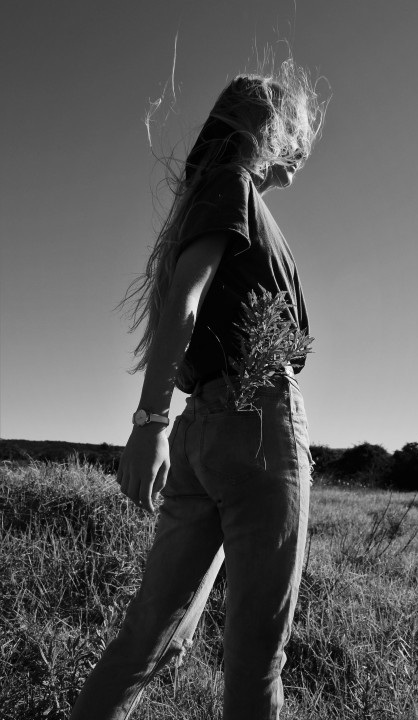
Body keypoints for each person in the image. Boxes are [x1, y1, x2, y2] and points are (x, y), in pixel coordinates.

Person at [70, 59, 330, 720]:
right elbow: (183, 304)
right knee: (255, 662)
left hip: (203, 433)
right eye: (295, 132)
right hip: (257, 428)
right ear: (266, 132)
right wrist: (148, 419)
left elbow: (188, 306)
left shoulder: (226, 196)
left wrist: (162, 424)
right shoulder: (234, 188)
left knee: (150, 639)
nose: (303, 148)